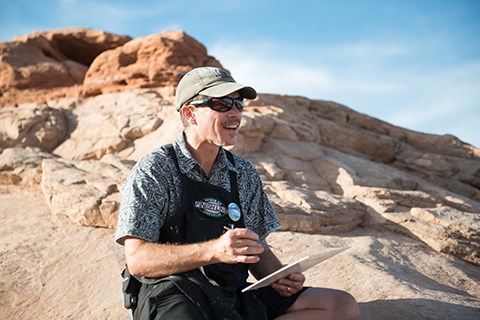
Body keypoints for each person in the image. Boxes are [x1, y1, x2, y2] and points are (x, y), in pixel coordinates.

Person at [115, 66, 360, 320]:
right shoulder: (156, 169)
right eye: (221, 104)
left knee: (340, 307)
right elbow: (138, 259)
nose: (235, 113)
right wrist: (214, 250)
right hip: (173, 294)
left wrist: (279, 276)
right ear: (190, 113)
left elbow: (255, 247)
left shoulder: (242, 172)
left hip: (234, 292)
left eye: (239, 103)